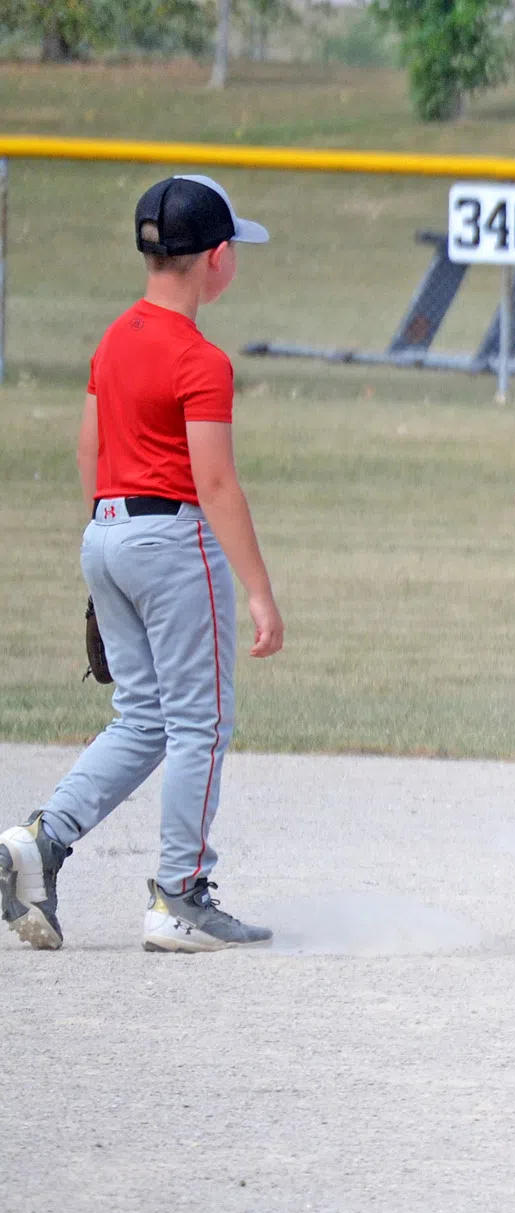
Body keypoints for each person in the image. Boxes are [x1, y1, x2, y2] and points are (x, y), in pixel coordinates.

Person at [0, 175, 284, 953]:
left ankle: (40, 843)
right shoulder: (200, 358)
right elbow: (216, 483)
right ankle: (180, 897)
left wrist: (111, 549)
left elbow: (90, 450)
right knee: (200, 724)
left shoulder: (114, 338)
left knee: (144, 718)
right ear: (216, 259)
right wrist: (260, 593)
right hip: (171, 538)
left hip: (107, 533)